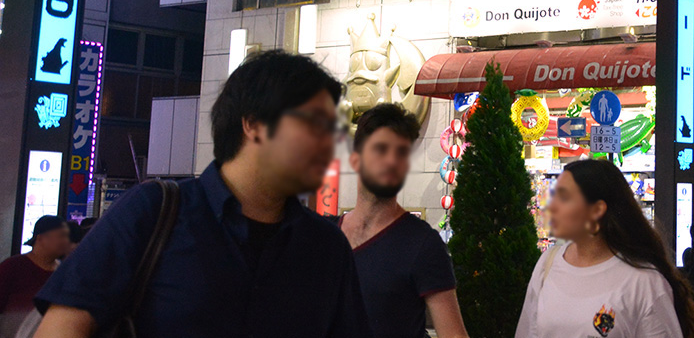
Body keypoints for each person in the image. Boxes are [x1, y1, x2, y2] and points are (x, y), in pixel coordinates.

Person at [34, 50, 367, 338]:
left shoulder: (326, 246)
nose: (329, 142)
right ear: (253, 123)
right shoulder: (154, 212)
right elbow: (64, 325)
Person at [515, 159, 694, 338]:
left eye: (564, 198)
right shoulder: (548, 264)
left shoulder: (644, 283)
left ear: (597, 210)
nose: (552, 207)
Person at [338, 104, 466, 338]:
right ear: (356, 160)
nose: (391, 161)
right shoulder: (328, 238)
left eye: (401, 153)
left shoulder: (422, 244)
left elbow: (454, 335)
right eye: (381, 149)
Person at [0, 216, 71, 335]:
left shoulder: (63, 272)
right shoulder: (13, 266)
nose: (65, 241)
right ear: (41, 238)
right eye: (60, 236)